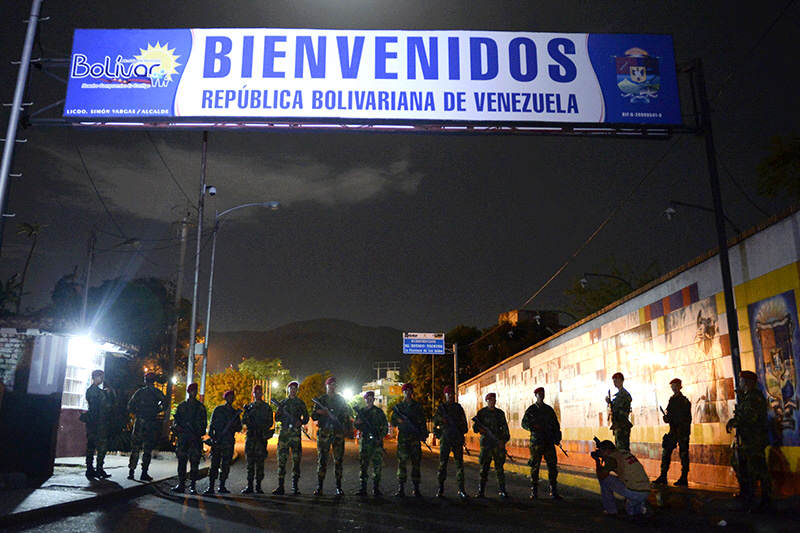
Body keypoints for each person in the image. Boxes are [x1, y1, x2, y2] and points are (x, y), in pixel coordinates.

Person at [726, 370, 771, 512]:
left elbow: (750, 418)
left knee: (757, 470)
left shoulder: (754, 398)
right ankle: (751, 498)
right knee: (748, 468)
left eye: (742, 381)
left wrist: (735, 421)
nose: (740, 383)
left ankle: (764, 502)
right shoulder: (747, 397)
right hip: (749, 440)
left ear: (748, 382)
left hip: (754, 440)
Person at [311, 376, 351, 495]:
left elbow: (346, 416)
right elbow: (313, 416)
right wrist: (321, 412)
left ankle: (339, 487)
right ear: (326, 386)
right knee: (322, 460)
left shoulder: (341, 400)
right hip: (324, 433)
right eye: (330, 385)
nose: (332, 387)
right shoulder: (321, 400)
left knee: (338, 460)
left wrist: (344, 428)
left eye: (334, 385)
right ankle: (319, 487)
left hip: (338, 434)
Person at [521, 386, 562, 500]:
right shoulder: (531, 410)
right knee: (535, 467)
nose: (541, 395)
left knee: (552, 467)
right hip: (537, 442)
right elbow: (524, 423)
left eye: (542, 393)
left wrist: (557, 438)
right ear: (536, 395)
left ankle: (553, 490)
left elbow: (555, 425)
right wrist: (533, 427)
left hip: (548, 441)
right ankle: (534, 491)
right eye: (539, 394)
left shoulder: (549, 409)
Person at [593, 439, 650, 517]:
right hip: (645, 490)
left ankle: (611, 510)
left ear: (607, 450)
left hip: (634, 492)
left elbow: (601, 476)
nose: (601, 453)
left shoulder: (611, 459)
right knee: (633, 512)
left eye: (601, 451)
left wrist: (597, 461)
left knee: (605, 480)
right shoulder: (623, 452)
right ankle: (639, 506)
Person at [127, 372, 167, 481]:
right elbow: (165, 404)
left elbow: (130, 405)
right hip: (150, 423)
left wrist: (137, 412)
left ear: (145, 380)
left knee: (135, 447)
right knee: (147, 449)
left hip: (140, 422)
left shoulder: (139, 392)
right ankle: (144, 473)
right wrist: (157, 410)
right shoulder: (156, 392)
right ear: (153, 381)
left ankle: (131, 471)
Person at [390, 383, 428, 497]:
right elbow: (392, 421)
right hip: (403, 438)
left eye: (409, 391)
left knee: (416, 463)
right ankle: (401, 488)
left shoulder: (417, 407)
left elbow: (422, 421)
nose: (407, 393)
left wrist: (423, 434)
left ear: (412, 392)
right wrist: (399, 420)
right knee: (402, 463)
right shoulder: (399, 407)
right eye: (405, 391)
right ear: (403, 393)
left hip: (415, 439)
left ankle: (416, 488)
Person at [432, 385, 468, 499]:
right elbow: (434, 424)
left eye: (452, 394)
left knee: (459, 465)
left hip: (457, 439)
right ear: (445, 395)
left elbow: (464, 426)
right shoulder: (441, 408)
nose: (451, 396)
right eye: (449, 394)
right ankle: (440, 488)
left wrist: (460, 433)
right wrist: (441, 435)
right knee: (443, 464)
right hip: (446, 440)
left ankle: (461, 490)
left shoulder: (458, 408)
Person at [654, 378, 692, 486]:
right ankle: (663, 476)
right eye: (672, 386)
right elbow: (669, 414)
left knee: (684, 455)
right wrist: (667, 418)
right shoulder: (672, 400)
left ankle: (684, 478)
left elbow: (687, 418)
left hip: (682, 432)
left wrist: (679, 426)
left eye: (675, 385)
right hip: (673, 431)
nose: (673, 388)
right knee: (666, 452)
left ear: (679, 386)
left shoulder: (684, 401)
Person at [171, 382, 207, 494]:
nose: (193, 393)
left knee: (194, 464)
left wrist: (196, 430)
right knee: (182, 462)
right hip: (183, 439)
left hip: (195, 439)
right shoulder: (182, 406)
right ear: (188, 391)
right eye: (192, 390)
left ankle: (193, 486)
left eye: (195, 391)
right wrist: (179, 428)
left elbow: (203, 425)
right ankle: (181, 484)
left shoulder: (200, 407)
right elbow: (175, 422)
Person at [473, 392, 510, 498]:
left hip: (497, 444)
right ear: (487, 401)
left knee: (499, 469)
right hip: (486, 445)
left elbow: (505, 430)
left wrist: (503, 441)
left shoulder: (500, 414)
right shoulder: (481, 413)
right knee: (484, 468)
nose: (492, 402)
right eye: (490, 400)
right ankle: (481, 491)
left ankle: (502, 490)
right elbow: (475, 428)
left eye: (494, 400)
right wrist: (481, 430)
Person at [273, 380, 309, 495]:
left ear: (296, 390)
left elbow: (307, 418)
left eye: (295, 388)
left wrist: (301, 422)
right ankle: (280, 486)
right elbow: (277, 419)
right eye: (291, 388)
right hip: (284, 435)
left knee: (296, 460)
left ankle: (295, 487)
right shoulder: (282, 403)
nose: (293, 390)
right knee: (281, 460)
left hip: (295, 435)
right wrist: (278, 412)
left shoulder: (300, 403)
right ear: (288, 390)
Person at [204, 390, 242, 495]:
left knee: (225, 465)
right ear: (225, 398)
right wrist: (213, 437)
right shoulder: (218, 410)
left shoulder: (235, 413)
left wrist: (233, 425)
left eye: (232, 397)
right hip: (217, 441)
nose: (230, 398)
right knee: (214, 464)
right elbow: (211, 425)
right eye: (229, 396)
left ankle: (222, 486)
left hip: (228, 442)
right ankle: (211, 487)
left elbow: (239, 427)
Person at [354, 390, 388, 496]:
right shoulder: (362, 412)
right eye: (367, 398)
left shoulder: (379, 412)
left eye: (371, 398)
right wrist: (357, 423)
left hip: (376, 442)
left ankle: (376, 488)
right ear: (365, 399)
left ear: (373, 399)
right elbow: (356, 425)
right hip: (365, 442)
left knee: (377, 466)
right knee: (363, 465)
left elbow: (385, 426)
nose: (369, 399)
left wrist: (380, 437)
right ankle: (363, 488)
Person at [241, 384, 274, 494]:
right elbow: (244, 421)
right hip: (251, 437)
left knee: (260, 464)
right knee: (250, 464)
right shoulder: (249, 407)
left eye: (259, 392)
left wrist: (262, 427)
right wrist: (247, 414)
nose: (257, 394)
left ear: (262, 393)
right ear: (253, 394)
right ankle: (250, 486)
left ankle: (258, 486)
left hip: (260, 438)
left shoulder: (266, 408)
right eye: (256, 392)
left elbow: (270, 422)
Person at [84, 369, 114, 479]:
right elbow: (107, 406)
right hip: (99, 422)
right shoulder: (98, 392)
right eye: (100, 377)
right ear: (96, 377)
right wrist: (108, 394)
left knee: (90, 446)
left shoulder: (90, 390)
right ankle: (99, 469)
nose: (102, 379)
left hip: (92, 422)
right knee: (101, 447)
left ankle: (90, 469)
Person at [606, 372, 633, 451]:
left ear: (621, 381)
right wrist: (610, 403)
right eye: (614, 381)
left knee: (623, 450)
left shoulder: (624, 394)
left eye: (616, 380)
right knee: (619, 449)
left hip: (622, 425)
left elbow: (622, 409)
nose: (614, 383)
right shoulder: (618, 395)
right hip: (618, 425)